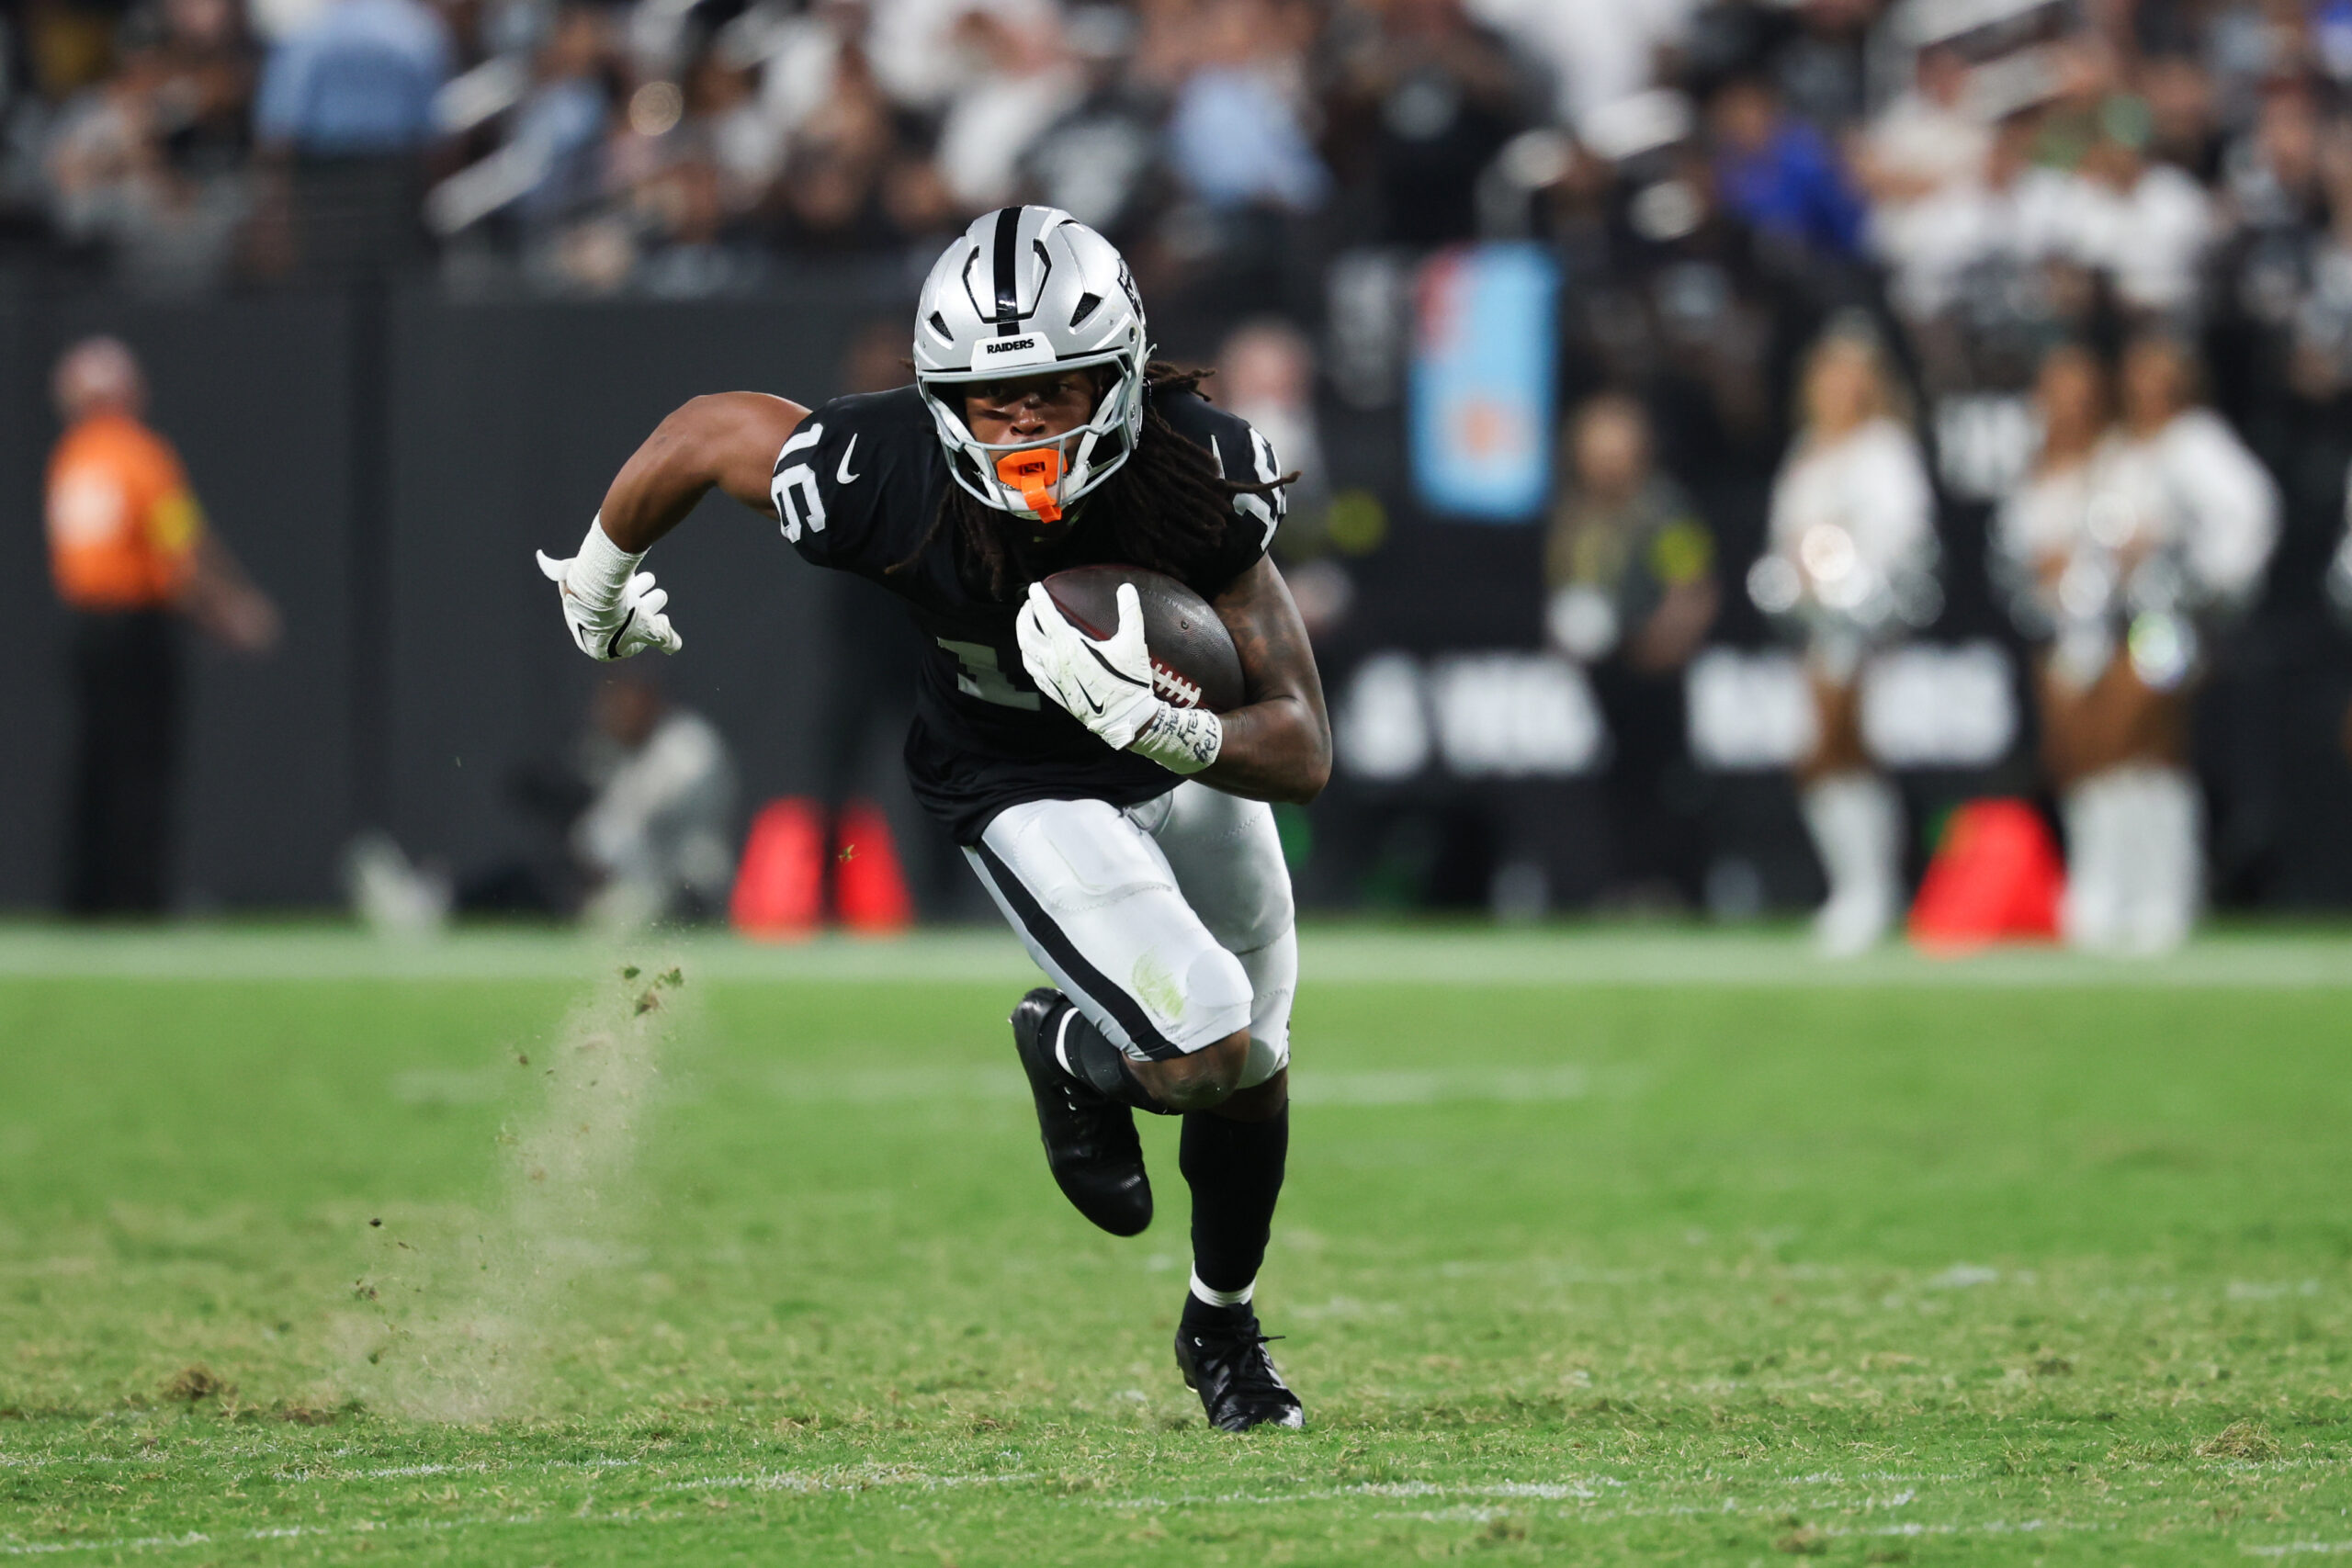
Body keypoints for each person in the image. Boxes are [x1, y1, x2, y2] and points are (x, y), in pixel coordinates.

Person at [534, 206, 1327, 1431]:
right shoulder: (879, 470)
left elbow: (1304, 742)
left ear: (1116, 379)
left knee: (1257, 1073)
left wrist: (1179, 732)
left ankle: (1221, 1323)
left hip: (1185, 771)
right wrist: (597, 576)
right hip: (1021, 783)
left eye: (1053, 392)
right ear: (939, 395)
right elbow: (703, 434)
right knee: (1207, 1041)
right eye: (990, 397)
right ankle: (1068, 1045)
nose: (1020, 426)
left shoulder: (1196, 471)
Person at [1999, 336, 2276, 952]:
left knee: (2145, 743)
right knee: (2098, 753)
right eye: (2138, 375)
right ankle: (2111, 886)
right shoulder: (2122, 454)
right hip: (2108, 624)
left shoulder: (2195, 441)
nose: (2147, 388)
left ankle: (2167, 892)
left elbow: (2249, 516)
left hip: (2169, 624)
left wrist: (2197, 578)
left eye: (2160, 375)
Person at [45, 335, 277, 914]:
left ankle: (87, 899)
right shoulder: (138, 456)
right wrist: (230, 612)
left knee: (95, 764)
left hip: (86, 629)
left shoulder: (71, 458)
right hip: (136, 627)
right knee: (142, 766)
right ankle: (136, 897)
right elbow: (183, 550)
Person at [1747, 321, 1939, 954]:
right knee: (1822, 755)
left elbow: (1901, 533)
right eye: (1829, 374)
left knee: (1844, 746)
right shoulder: (1807, 450)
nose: (1839, 388)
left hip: (1868, 622)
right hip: (1814, 621)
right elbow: (1785, 532)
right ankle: (1857, 885)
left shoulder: (1884, 449)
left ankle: (1872, 889)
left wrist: (1843, 572)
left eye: (1852, 375)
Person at [1544, 393, 1718, 904]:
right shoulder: (1577, 512)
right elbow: (1564, 579)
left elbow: (1693, 584)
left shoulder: (1661, 509)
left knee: (1666, 777)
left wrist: (1667, 636)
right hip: (1601, 671)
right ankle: (1622, 882)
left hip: (1654, 667)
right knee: (1610, 778)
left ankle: (1675, 883)